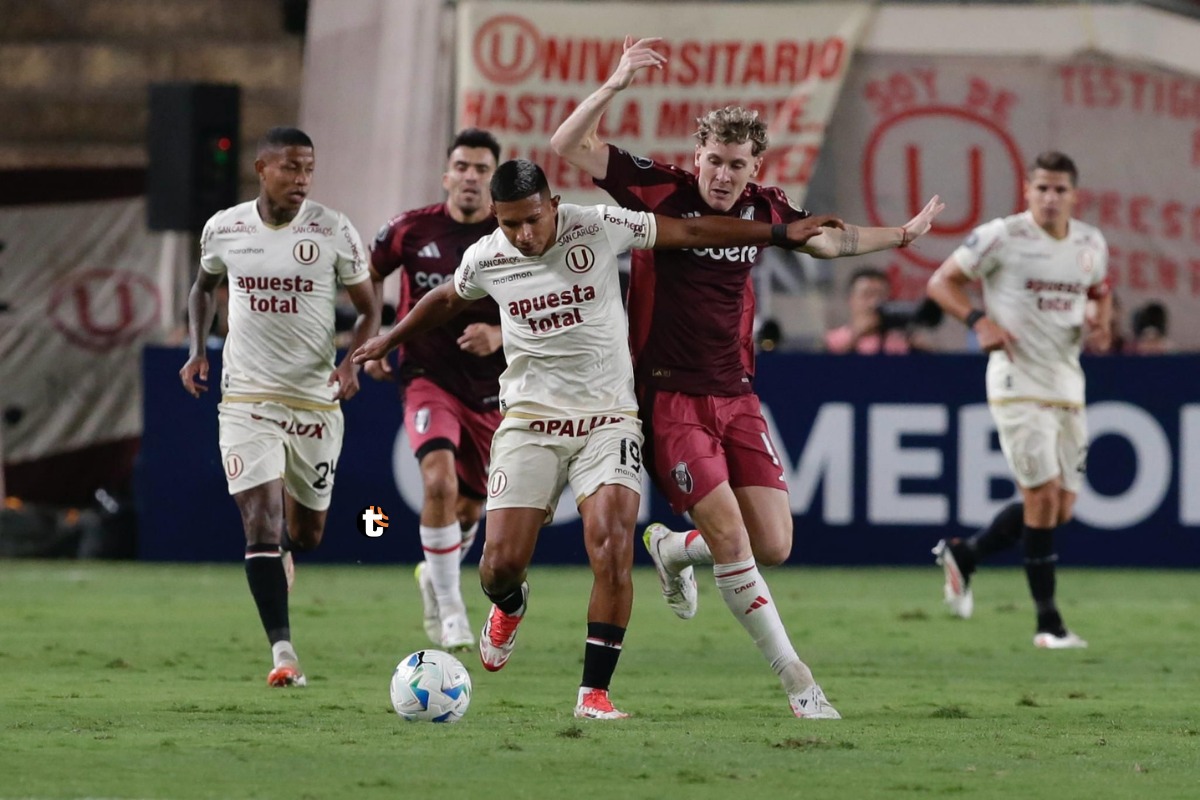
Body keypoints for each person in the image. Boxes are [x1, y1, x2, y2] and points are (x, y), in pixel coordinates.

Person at [352, 159, 841, 719]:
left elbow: (694, 230)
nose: (525, 235)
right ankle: (509, 606)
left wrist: (778, 233)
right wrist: (388, 338)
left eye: (532, 220)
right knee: (498, 567)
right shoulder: (489, 254)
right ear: (497, 218)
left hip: (609, 419)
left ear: (553, 203)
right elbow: (445, 299)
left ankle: (594, 694)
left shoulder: (598, 226)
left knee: (611, 546)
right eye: (510, 224)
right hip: (530, 423)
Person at [550, 36, 943, 717]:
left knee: (776, 544)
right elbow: (568, 144)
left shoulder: (765, 209)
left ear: (754, 166)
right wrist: (615, 83)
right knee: (734, 540)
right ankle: (797, 680)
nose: (724, 175)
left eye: (737, 165)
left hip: (736, 397)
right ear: (696, 153)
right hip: (670, 395)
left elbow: (829, 239)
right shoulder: (661, 191)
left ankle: (674, 550)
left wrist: (901, 237)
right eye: (715, 161)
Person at [180, 126, 381, 686]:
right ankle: (284, 655)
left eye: (309, 169)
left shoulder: (334, 229)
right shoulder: (225, 228)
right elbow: (202, 287)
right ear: (262, 168)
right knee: (259, 522)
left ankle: (287, 552)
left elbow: (369, 308)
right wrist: (199, 349)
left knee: (307, 533)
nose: (302, 179)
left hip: (315, 402)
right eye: (291, 167)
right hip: (246, 398)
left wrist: (351, 364)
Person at [926, 150, 1110, 649]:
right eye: (1042, 188)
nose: (1050, 197)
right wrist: (977, 321)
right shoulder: (1001, 236)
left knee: (1062, 508)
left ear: (1075, 194)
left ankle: (966, 554)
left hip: (1067, 383)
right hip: (1016, 381)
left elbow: (1099, 292)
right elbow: (941, 282)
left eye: (1060, 189)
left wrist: (1101, 323)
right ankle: (1048, 624)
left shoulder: (1091, 242)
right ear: (1027, 190)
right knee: (1041, 497)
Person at [367, 129, 505, 651]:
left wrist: (499, 334)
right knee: (439, 482)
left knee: (470, 508)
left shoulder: (511, 235)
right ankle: (452, 613)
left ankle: (435, 574)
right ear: (447, 175)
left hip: (493, 389)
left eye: (482, 169)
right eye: (462, 167)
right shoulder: (410, 229)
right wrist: (375, 337)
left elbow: (544, 306)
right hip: (427, 378)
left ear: (494, 180)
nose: (471, 177)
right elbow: (366, 276)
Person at [824, 266, 912, 354]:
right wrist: (858, 334)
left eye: (881, 295)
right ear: (850, 299)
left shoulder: (900, 342)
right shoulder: (832, 341)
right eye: (867, 295)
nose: (874, 303)